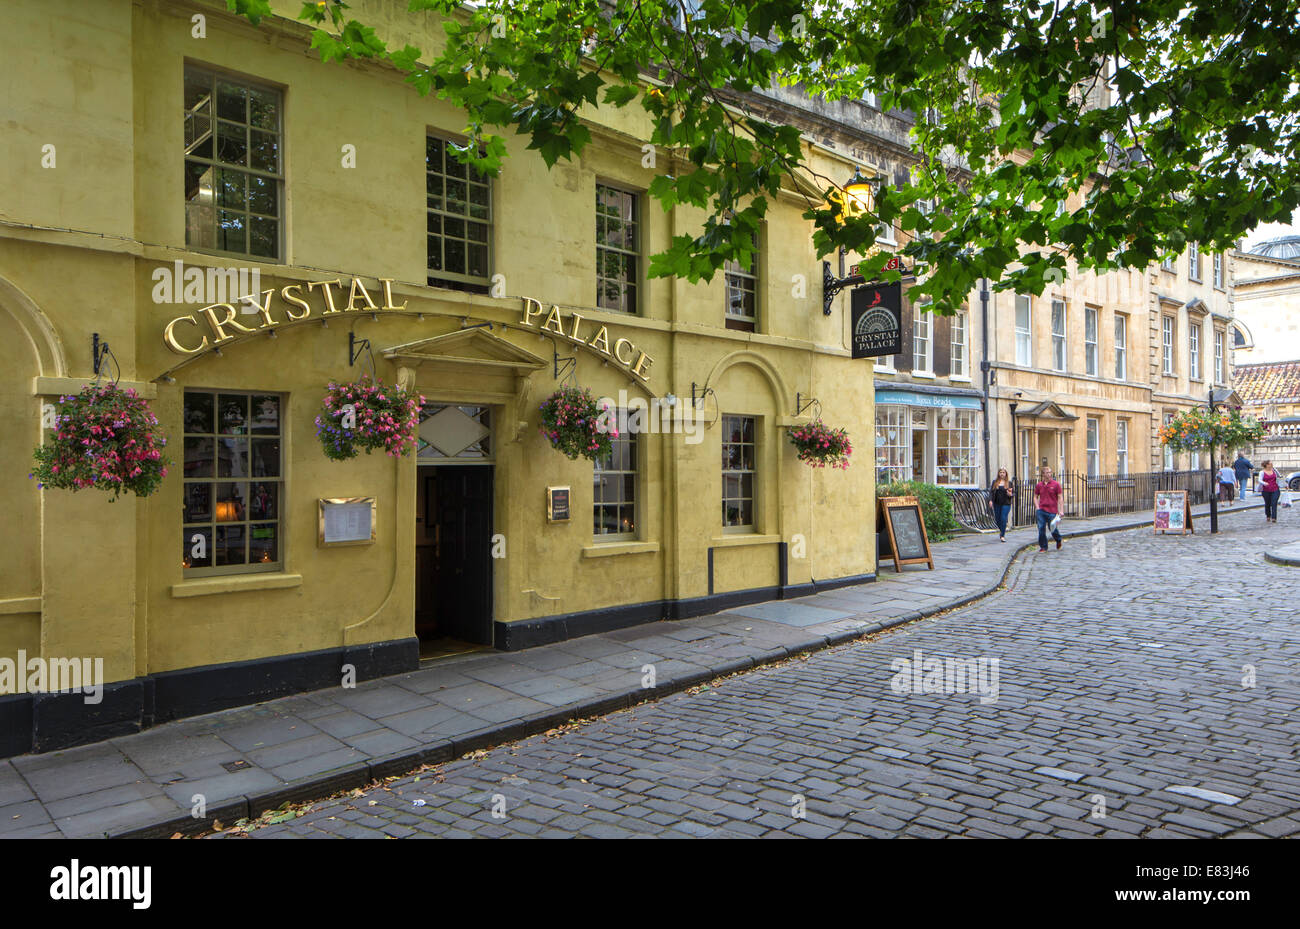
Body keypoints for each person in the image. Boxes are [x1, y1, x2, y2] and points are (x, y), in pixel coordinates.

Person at [1034, 465, 1063, 552]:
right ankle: (1043, 547)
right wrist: (1037, 507)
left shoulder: (1056, 484)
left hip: (1052, 511)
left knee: (1053, 529)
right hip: (1041, 510)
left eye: (1050, 472)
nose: (1049, 474)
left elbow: (1060, 497)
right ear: (1043, 474)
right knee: (1041, 528)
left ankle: (1058, 539)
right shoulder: (1039, 485)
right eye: (1047, 473)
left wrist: (1061, 510)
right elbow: (1035, 496)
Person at [988, 468, 1015, 542]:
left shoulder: (1009, 483)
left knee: (1003, 518)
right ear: (998, 473)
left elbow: (1014, 493)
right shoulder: (995, 482)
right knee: (997, 519)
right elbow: (991, 492)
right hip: (997, 503)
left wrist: (1011, 494)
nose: (1002, 474)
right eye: (1000, 472)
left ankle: (1002, 535)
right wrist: (990, 500)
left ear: (1006, 474)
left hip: (1006, 503)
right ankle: (1002, 529)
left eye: (1003, 472)